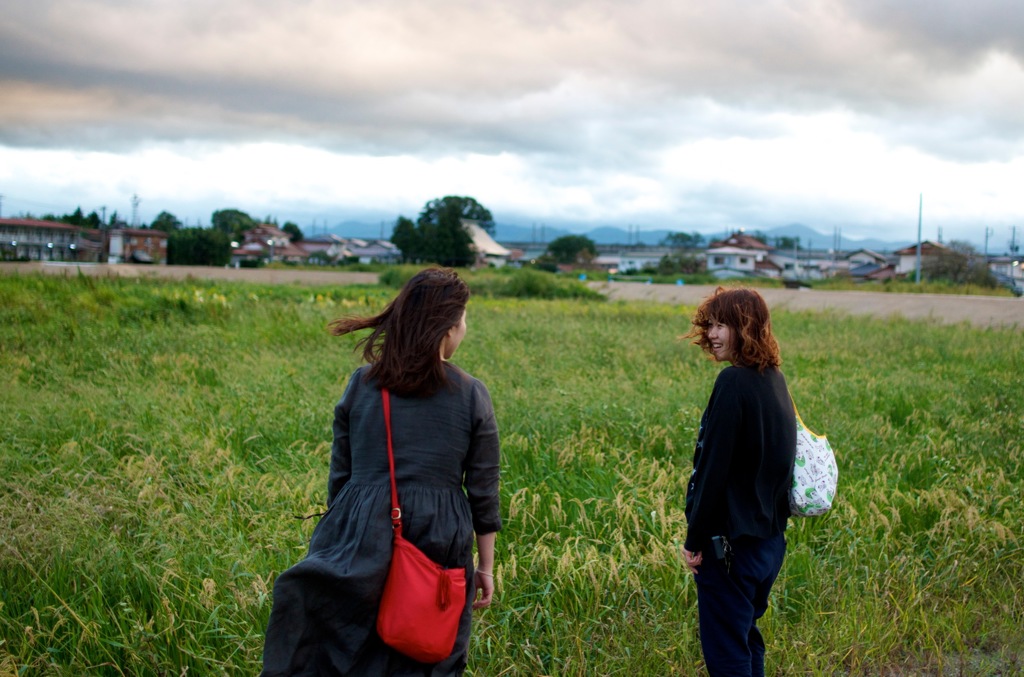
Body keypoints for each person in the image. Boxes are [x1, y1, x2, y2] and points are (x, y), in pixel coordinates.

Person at [261, 267, 502, 676]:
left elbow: (340, 476)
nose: (465, 328)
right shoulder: (471, 394)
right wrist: (485, 567)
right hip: (438, 534)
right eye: (463, 319)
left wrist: (342, 536)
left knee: (347, 645)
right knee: (426, 647)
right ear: (446, 328)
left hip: (360, 524)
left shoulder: (363, 384)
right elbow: (483, 492)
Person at [680, 287, 795, 677]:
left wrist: (694, 540)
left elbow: (714, 471)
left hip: (730, 547)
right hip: (768, 544)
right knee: (745, 637)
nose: (711, 334)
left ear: (745, 326)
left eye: (721, 325)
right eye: (709, 325)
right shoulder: (774, 380)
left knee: (727, 652)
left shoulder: (733, 383)